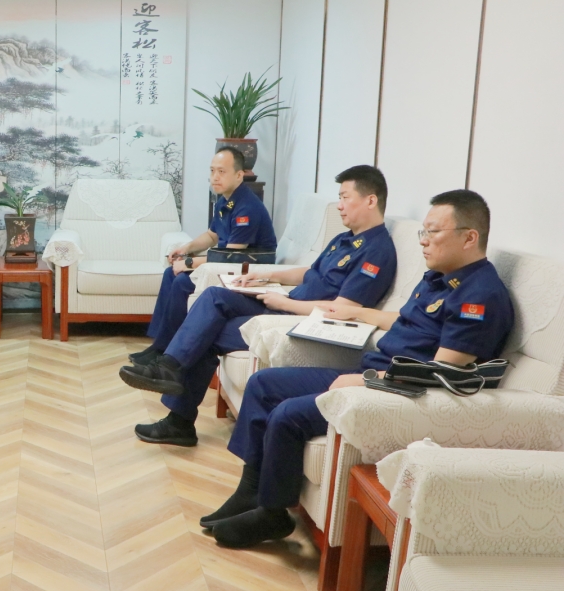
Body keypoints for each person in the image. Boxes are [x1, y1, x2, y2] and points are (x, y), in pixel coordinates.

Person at [204, 189, 514, 549]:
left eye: (433, 232)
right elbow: (409, 322)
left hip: (392, 390)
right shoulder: (439, 277)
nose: (423, 241)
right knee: (263, 384)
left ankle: (272, 513)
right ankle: (250, 490)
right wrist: (358, 313)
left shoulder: (479, 296)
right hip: (375, 368)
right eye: (423, 232)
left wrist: (369, 381)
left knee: (288, 414)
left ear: (469, 237)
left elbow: (442, 371)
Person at [122, 165, 396, 446]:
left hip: (301, 319)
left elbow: (342, 309)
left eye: (345, 197)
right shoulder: (344, 239)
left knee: (207, 332)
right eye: (339, 198)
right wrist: (267, 276)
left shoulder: (377, 251)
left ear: (370, 200)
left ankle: (177, 414)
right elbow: (309, 273)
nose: (339, 206)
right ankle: (169, 367)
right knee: (215, 296)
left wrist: (284, 303)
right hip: (286, 303)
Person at [136, 147, 278, 368]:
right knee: (170, 273)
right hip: (227, 265)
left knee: (182, 282)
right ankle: (160, 345)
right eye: (212, 171)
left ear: (239, 175)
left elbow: (231, 256)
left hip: (245, 273)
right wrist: (186, 248)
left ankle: (168, 350)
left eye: (222, 171)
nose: (215, 177)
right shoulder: (225, 200)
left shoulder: (247, 208)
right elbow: (213, 235)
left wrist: (190, 263)